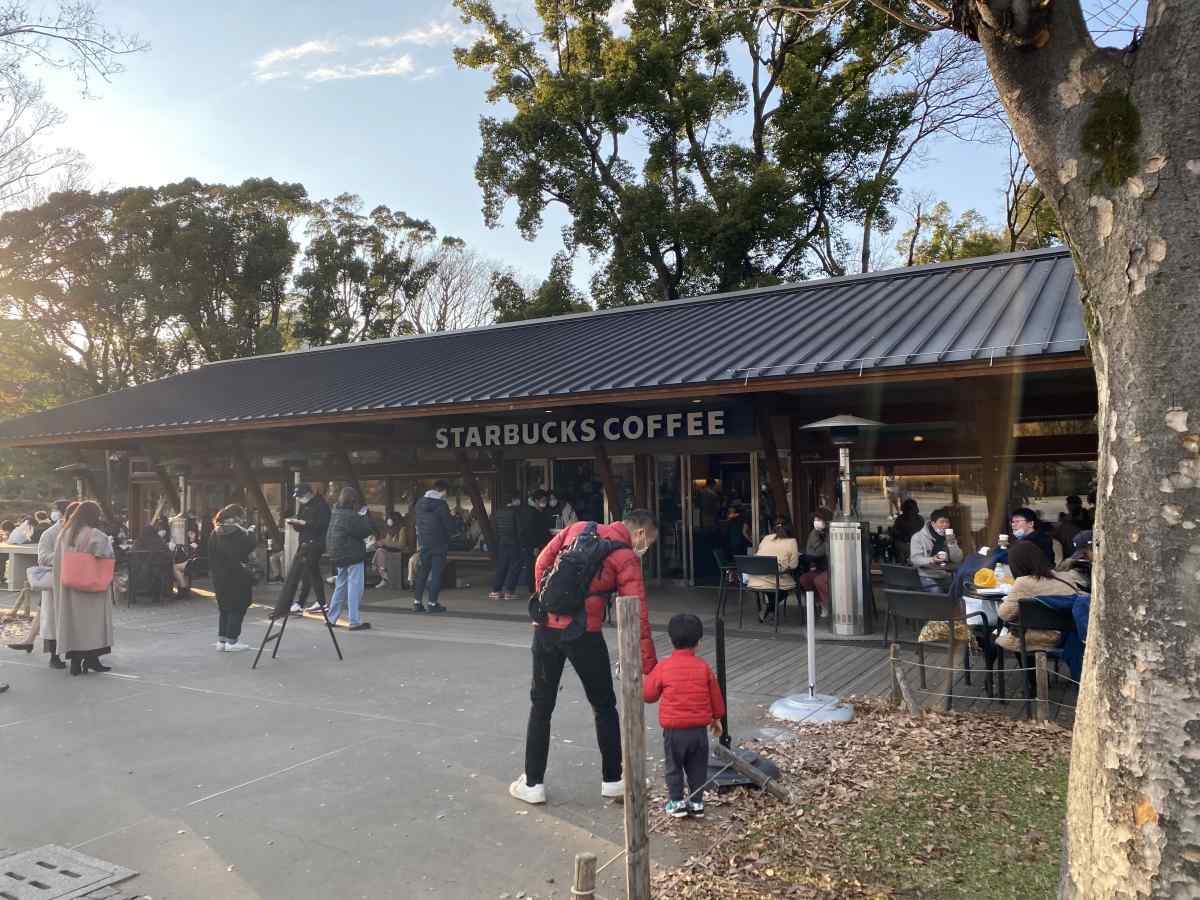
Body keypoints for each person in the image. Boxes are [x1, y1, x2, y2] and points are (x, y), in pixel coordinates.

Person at [510, 510, 659, 806]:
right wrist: (648, 664)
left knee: (541, 706)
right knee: (604, 705)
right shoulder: (625, 556)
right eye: (649, 541)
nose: (646, 547)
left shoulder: (576, 528)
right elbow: (637, 613)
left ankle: (533, 783)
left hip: (546, 631)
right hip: (585, 635)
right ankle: (613, 780)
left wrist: (548, 604)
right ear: (640, 533)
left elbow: (541, 562)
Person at [643, 613, 726, 818]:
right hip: (698, 732)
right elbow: (715, 696)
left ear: (671, 640)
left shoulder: (664, 666)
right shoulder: (703, 667)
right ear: (699, 642)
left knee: (674, 767)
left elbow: (648, 695)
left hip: (674, 732)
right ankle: (697, 802)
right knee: (697, 768)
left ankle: (676, 801)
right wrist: (717, 718)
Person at [52, 500, 115, 676]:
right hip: (90, 587)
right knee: (91, 626)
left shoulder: (64, 533)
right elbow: (105, 554)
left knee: (74, 625)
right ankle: (92, 659)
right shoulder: (95, 534)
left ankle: (75, 663)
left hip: (68, 587)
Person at [996, 540, 1087, 653]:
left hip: (1043, 637)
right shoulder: (1065, 577)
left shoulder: (1023, 582)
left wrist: (1005, 600)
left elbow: (1004, 614)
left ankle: (1027, 670)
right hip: (1070, 635)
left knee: (1003, 636)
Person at [207, 504, 258, 651]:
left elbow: (210, 555)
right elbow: (249, 547)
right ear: (236, 517)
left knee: (224, 608)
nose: (242, 521)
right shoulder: (239, 533)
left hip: (219, 577)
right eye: (241, 518)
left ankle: (221, 641)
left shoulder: (214, 533)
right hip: (238, 576)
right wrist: (251, 532)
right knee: (238, 607)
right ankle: (232, 641)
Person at [324, 487, 375, 630]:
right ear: (353, 500)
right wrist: (363, 515)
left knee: (340, 586)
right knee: (355, 587)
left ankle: (332, 618)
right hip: (352, 555)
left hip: (338, 554)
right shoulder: (351, 515)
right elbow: (364, 531)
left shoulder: (336, 512)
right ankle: (354, 621)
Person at [37, 500, 77, 669]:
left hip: (74, 582)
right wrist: (63, 557)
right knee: (53, 621)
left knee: (72, 619)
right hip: (55, 582)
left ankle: (75, 653)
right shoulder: (49, 534)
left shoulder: (78, 531)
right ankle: (54, 656)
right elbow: (43, 558)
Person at [744, 518, 800, 623]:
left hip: (755, 580)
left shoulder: (766, 538)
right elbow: (793, 565)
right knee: (784, 591)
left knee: (771, 589)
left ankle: (769, 609)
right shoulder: (792, 541)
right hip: (776, 580)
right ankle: (770, 608)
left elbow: (759, 554)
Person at [413, 479, 454, 613]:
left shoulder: (419, 503)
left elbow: (418, 523)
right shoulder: (441, 505)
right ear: (443, 491)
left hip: (424, 543)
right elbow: (449, 525)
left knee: (422, 572)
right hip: (439, 543)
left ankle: (417, 603)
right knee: (436, 574)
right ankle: (432, 603)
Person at [289, 484, 331, 615]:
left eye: (301, 496)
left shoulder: (321, 505)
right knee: (305, 571)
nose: (299, 499)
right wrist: (296, 524)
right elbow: (301, 522)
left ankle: (320, 602)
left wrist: (305, 524)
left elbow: (323, 525)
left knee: (311, 569)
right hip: (304, 542)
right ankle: (303, 602)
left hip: (316, 542)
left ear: (308, 493)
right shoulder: (304, 505)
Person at [910, 507, 963, 592]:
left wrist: (952, 544)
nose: (945, 525)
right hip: (925, 575)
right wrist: (932, 559)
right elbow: (915, 559)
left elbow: (957, 559)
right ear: (933, 523)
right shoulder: (918, 537)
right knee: (936, 591)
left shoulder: (949, 537)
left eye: (947, 522)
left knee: (959, 590)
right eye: (942, 522)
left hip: (945, 574)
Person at [797, 508, 833, 618]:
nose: (816, 521)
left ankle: (829, 605)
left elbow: (821, 551)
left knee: (819, 580)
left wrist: (822, 545)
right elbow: (811, 552)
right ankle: (819, 602)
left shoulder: (832, 533)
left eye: (819, 519)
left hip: (833, 569)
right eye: (815, 519)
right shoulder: (814, 533)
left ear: (826, 521)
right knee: (804, 579)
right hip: (820, 568)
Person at [489, 491, 525, 601]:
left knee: (502, 566)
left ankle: (496, 590)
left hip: (502, 543)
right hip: (514, 543)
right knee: (514, 566)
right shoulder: (516, 512)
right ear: (513, 500)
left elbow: (494, 529)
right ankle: (509, 591)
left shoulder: (497, 512)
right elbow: (520, 530)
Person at [890, 499, 923, 564]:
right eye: (909, 509)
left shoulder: (919, 519)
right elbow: (894, 533)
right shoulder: (900, 519)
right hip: (903, 545)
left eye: (912, 509)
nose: (910, 512)